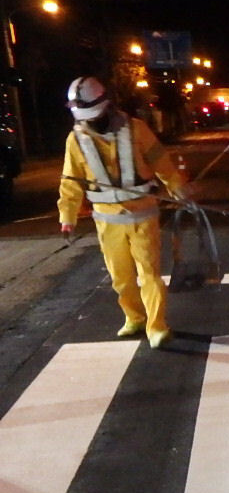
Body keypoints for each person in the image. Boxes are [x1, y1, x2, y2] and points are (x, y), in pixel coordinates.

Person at [57, 76, 189, 349]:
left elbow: (161, 163)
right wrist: (67, 217)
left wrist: (178, 190)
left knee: (149, 274)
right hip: (108, 221)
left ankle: (157, 326)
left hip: (143, 216)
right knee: (121, 278)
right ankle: (135, 317)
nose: (91, 121)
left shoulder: (137, 130)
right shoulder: (76, 140)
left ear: (107, 106)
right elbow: (70, 182)